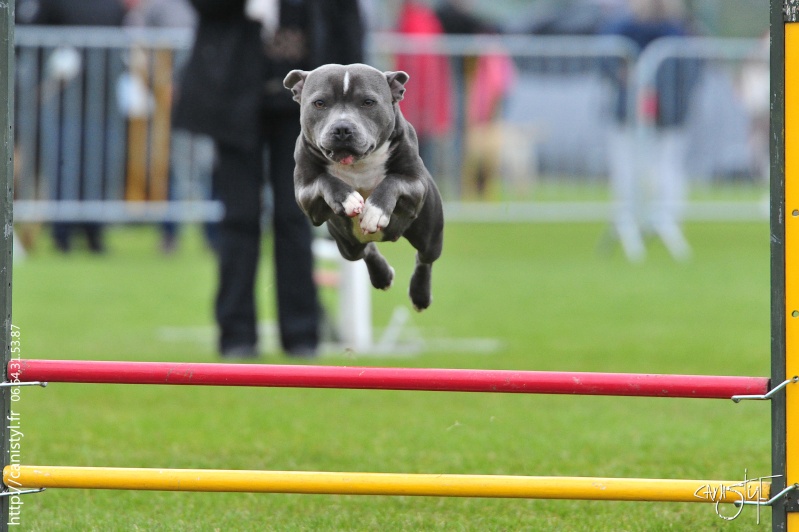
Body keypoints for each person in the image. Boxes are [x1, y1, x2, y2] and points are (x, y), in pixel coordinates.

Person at [173, 0, 364, 358]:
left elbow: (345, 23)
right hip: (235, 96)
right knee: (239, 217)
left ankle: (302, 333)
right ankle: (236, 334)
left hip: (307, 105)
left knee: (296, 217)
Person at [31, 0, 128, 253]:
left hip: (103, 100)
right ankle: (62, 234)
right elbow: (36, 35)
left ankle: (94, 233)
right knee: (66, 167)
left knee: (99, 168)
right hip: (66, 103)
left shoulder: (112, 6)